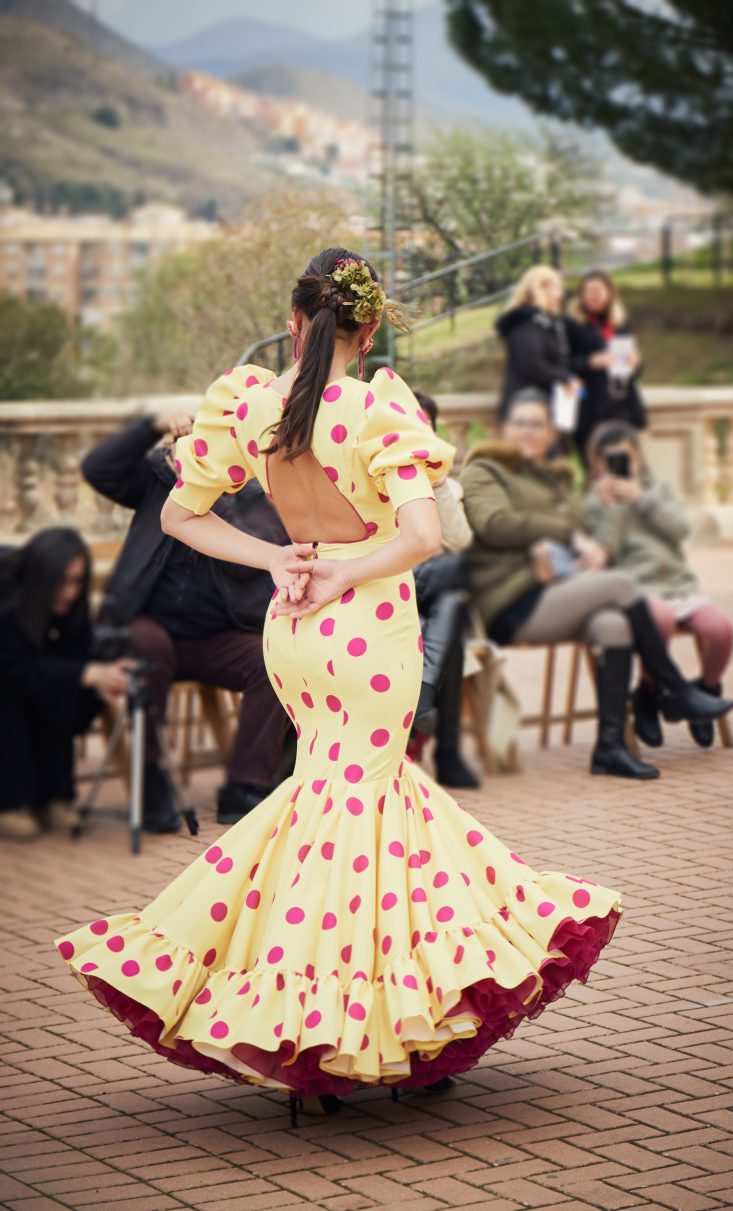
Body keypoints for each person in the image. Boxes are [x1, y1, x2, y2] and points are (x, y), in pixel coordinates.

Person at [56, 247, 622, 1122]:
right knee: (356, 812)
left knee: (340, 806)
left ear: (293, 324)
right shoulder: (376, 405)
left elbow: (178, 512)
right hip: (362, 626)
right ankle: (345, 1029)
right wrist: (342, 570)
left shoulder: (248, 401)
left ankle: (369, 1026)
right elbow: (422, 535)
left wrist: (282, 558)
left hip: (294, 626)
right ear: (368, 328)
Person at [459, 390, 733, 780]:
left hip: (558, 590)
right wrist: (563, 535)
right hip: (511, 599)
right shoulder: (485, 470)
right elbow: (496, 524)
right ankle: (674, 690)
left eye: (536, 424)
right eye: (519, 422)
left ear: (552, 433)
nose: (527, 431)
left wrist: (603, 510)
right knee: (622, 584)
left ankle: (609, 748)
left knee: (614, 625)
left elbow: (585, 531)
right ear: (505, 428)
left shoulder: (553, 479)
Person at [81, 411, 295, 829]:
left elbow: (249, 558)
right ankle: (152, 779)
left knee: (273, 659)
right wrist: (152, 428)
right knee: (150, 647)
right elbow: (98, 469)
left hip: (214, 637)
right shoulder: (158, 478)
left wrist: (209, 490)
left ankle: (246, 785)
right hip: (145, 625)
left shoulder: (257, 496)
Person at [585, 420, 733, 748]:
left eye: (626, 458)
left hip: (679, 586)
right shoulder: (595, 502)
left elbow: (680, 530)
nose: (622, 467)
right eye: (610, 461)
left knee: (722, 631)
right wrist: (614, 506)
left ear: (639, 456)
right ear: (597, 465)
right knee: (660, 620)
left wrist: (641, 498)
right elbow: (603, 549)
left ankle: (705, 693)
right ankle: (648, 694)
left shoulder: (659, 488)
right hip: (638, 590)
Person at [0, 528, 132, 839]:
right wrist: (87, 673)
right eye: (61, 581)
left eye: (77, 581)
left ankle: (54, 795)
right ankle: (11, 801)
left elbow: (75, 657)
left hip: (32, 674)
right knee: (10, 689)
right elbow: (20, 665)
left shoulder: (72, 606)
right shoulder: (6, 597)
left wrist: (97, 683)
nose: (70, 591)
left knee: (67, 687)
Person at [409, 390, 479, 790]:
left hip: (433, 598)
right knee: (455, 602)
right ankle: (447, 750)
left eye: (426, 424)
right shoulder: (376, 475)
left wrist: (435, 482)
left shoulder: (446, 486)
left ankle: (424, 696)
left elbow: (459, 539)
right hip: (388, 588)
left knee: (453, 601)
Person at [567, 270, 647, 462]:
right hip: (589, 407)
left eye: (598, 290)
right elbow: (563, 364)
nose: (593, 296)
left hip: (622, 404)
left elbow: (636, 370)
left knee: (624, 466)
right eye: (588, 291)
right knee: (594, 467)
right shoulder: (571, 324)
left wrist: (636, 363)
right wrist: (590, 361)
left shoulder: (619, 323)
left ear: (610, 293)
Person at [495, 264, 581, 418]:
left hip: (538, 405)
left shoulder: (542, 323)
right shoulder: (527, 324)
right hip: (526, 411)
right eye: (557, 288)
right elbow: (532, 366)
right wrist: (566, 377)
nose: (560, 296)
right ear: (542, 288)